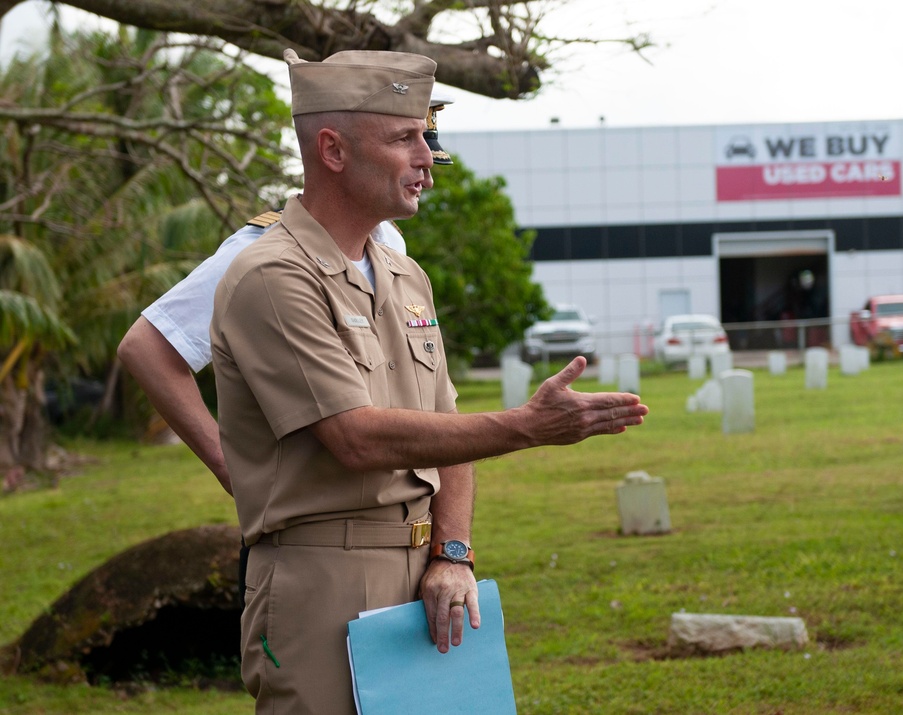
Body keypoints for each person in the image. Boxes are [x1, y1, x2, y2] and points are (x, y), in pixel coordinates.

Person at [210, 48, 648, 714]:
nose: (428, 156)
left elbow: (447, 431)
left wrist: (453, 549)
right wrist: (526, 427)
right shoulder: (273, 276)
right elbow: (354, 439)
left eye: (427, 136)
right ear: (332, 150)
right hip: (324, 576)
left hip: (427, 575)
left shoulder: (405, 275)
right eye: (405, 137)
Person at [117, 93, 455, 496]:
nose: (427, 170)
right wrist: (230, 467)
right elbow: (147, 346)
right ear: (334, 150)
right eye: (402, 141)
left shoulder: (391, 248)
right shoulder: (264, 251)